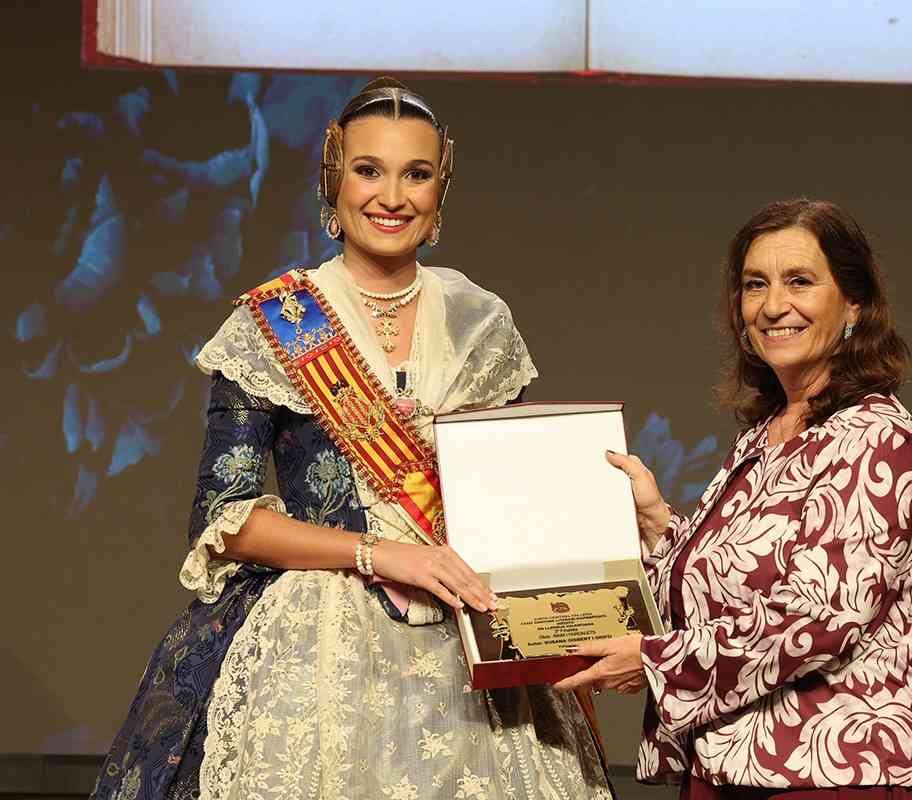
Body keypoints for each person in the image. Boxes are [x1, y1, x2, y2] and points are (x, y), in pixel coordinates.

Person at [92, 78, 611, 800]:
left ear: (440, 192)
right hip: (318, 637)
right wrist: (378, 553)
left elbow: (513, 514)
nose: (391, 196)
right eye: (369, 170)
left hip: (468, 641)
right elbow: (225, 518)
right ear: (334, 182)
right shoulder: (276, 322)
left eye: (416, 174)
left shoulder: (481, 323)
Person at [556, 199, 912, 797]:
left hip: (841, 775)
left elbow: (817, 620)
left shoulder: (875, 436)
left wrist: (654, 660)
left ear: (854, 303)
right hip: (733, 770)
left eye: (799, 281)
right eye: (756, 285)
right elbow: (720, 596)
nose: (774, 306)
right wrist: (657, 525)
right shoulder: (764, 436)